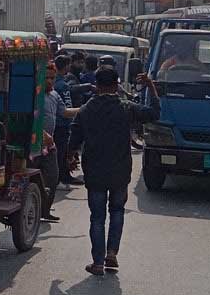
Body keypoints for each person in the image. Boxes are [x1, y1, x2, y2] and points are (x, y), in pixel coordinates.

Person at [67, 66, 159, 276]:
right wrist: (151, 86)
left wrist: (69, 158)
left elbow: (74, 140)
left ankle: (98, 262)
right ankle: (112, 253)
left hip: (95, 172)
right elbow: (154, 113)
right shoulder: (125, 107)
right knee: (117, 211)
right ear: (117, 84)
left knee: (97, 217)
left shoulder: (86, 110)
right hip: (120, 171)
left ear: (96, 85)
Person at [41, 62, 79, 219]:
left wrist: (85, 109)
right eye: (46, 78)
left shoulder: (54, 95)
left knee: (53, 177)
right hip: (34, 144)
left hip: (49, 145)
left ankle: (45, 211)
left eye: (52, 78)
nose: (49, 81)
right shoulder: (33, 95)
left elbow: (65, 112)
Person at [51, 55, 81, 187]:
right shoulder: (62, 85)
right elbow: (67, 108)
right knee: (61, 152)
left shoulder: (54, 83)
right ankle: (60, 177)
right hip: (62, 124)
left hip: (53, 123)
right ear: (67, 66)